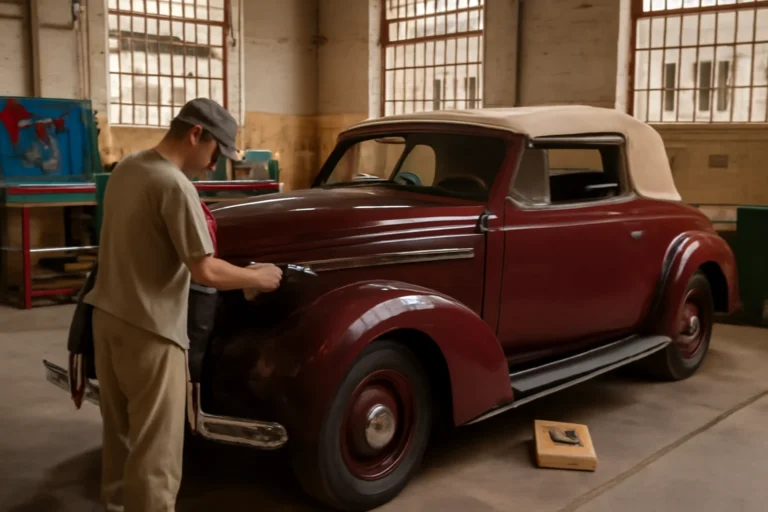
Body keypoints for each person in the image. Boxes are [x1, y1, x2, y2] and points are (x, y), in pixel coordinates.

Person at [83, 97, 282, 512]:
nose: (214, 165)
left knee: (120, 440)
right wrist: (255, 277)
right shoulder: (173, 185)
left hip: (108, 321)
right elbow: (204, 269)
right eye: (215, 152)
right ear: (195, 134)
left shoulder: (126, 169)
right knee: (157, 456)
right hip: (151, 333)